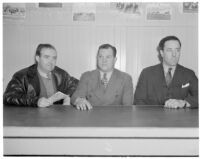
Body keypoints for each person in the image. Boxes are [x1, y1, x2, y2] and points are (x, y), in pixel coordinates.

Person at [4, 44, 79, 107]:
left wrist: (73, 98)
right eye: (46, 57)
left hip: (57, 119)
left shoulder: (61, 74)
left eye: (54, 58)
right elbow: (8, 97)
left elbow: (79, 85)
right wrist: (36, 101)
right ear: (37, 58)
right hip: (31, 119)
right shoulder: (22, 76)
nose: (51, 61)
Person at [134, 36, 198, 108]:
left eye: (177, 50)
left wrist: (184, 103)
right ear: (161, 53)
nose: (174, 54)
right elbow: (138, 101)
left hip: (181, 118)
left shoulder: (189, 74)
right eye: (169, 50)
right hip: (152, 117)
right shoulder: (147, 73)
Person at [71, 44, 133, 110]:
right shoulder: (87, 76)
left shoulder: (126, 78)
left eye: (108, 57)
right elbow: (75, 96)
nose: (104, 60)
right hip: (92, 118)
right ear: (97, 58)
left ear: (115, 60)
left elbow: (127, 108)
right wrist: (78, 100)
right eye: (100, 56)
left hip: (116, 118)